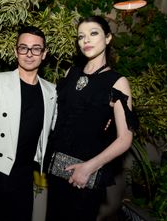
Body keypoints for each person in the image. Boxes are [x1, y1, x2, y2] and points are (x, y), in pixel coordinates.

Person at [45, 16, 138, 221]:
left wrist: (89, 168)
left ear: (108, 38)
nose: (86, 40)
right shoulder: (71, 72)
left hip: (86, 176)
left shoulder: (118, 82)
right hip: (56, 169)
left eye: (93, 33)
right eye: (81, 36)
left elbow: (125, 138)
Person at [0, 26, 57, 221]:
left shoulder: (51, 92)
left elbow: (58, 129)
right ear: (16, 52)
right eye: (23, 48)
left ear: (44, 53)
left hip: (24, 179)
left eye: (36, 49)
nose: (29, 54)